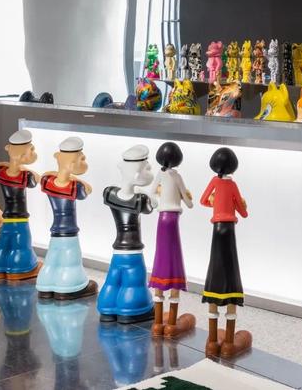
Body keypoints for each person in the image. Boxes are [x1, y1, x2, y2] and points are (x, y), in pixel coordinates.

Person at [200, 147, 251, 358]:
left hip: (216, 228)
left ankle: (212, 341)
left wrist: (214, 202)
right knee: (231, 271)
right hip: (229, 229)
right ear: (233, 167)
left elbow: (203, 200)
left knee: (215, 269)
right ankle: (229, 343)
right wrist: (243, 206)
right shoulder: (232, 185)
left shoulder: (214, 182)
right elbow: (243, 211)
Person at [97, 145, 155, 324]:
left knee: (112, 280)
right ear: (137, 175)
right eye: (147, 168)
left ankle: (107, 308)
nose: (150, 171)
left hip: (117, 251)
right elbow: (151, 207)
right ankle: (130, 309)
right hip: (133, 252)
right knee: (134, 282)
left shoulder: (109, 193)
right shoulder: (140, 200)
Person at [36, 136, 98, 299]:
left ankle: (45, 285)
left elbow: (46, 174)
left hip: (55, 232)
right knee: (71, 262)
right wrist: (73, 177)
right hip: (70, 233)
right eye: (82, 159)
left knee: (51, 259)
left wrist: (61, 171)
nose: (84, 162)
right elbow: (88, 189)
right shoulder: (76, 187)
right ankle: (70, 286)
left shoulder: (47, 181)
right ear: (72, 164)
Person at [148, 142, 195, 337]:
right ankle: (172, 322)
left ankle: (158, 323)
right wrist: (187, 197)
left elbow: (151, 193)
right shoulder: (177, 176)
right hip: (173, 218)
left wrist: (160, 193)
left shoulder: (160, 175)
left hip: (162, 218)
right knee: (174, 258)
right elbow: (189, 202)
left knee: (160, 256)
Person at [0, 130, 41, 280]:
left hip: (7, 218)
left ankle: (0, 267)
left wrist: (7, 164)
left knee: (3, 245)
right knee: (21, 246)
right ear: (23, 155)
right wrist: (24, 168)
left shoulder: (0, 172)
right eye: (31, 150)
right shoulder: (26, 176)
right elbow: (37, 179)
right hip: (21, 219)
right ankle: (21, 268)